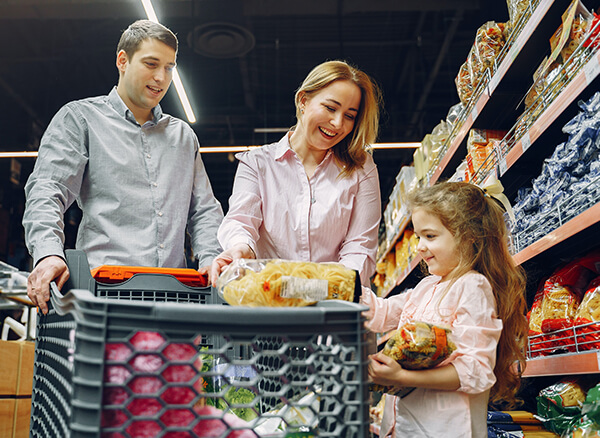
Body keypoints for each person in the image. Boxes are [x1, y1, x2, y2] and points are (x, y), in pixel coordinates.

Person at [23, 20, 224, 314]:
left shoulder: (182, 137)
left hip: (174, 300)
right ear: (123, 61)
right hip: (102, 298)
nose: (161, 77)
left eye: (169, 67)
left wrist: (212, 259)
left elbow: (204, 210)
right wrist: (48, 254)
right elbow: (47, 190)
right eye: (151, 63)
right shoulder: (81, 119)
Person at [363, 182, 528, 438]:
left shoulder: (472, 287)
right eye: (418, 236)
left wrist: (402, 377)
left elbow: (475, 370)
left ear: (469, 236)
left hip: (446, 430)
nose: (419, 247)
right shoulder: (426, 287)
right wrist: (340, 283)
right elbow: (381, 313)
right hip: (405, 428)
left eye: (430, 236)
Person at [209, 60, 382, 288]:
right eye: (330, 108)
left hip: (335, 306)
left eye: (349, 116)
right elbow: (241, 221)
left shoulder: (361, 168)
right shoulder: (257, 164)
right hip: (270, 300)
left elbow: (360, 246)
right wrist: (241, 248)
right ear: (303, 100)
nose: (338, 123)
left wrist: (325, 288)